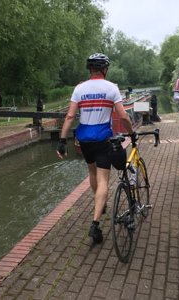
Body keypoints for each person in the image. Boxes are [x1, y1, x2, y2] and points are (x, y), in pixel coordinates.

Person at [56, 53, 136, 244]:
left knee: (92, 171)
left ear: (90, 69)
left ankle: (100, 204)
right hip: (102, 138)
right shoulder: (111, 88)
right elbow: (123, 116)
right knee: (103, 180)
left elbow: (69, 116)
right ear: (104, 69)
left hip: (83, 139)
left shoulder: (79, 89)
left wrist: (62, 140)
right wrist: (131, 133)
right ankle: (95, 224)